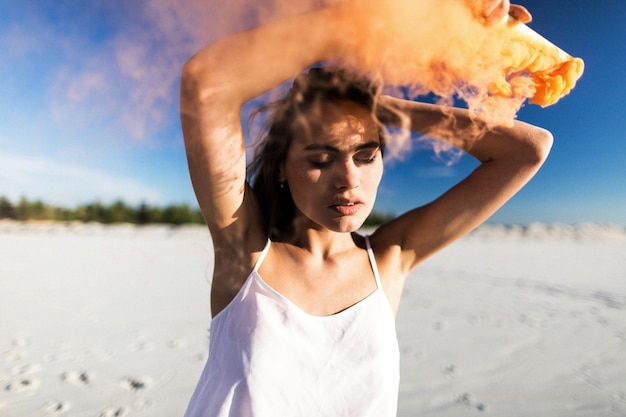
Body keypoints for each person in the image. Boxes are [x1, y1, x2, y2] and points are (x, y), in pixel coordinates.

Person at [180, 1, 550, 416]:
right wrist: (369, 18)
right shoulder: (245, 251)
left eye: (366, 155)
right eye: (320, 160)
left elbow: (529, 149)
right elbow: (206, 83)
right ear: (282, 169)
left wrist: (379, 106)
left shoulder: (390, 259)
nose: (348, 179)